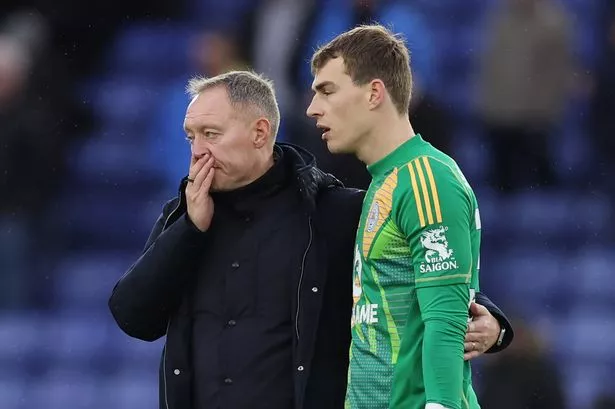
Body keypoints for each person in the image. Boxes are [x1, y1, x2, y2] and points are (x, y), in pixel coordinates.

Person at [109, 70, 513, 409]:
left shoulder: (330, 211)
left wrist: (493, 323)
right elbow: (133, 317)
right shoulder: (184, 216)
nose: (197, 151)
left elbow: (426, 265)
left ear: (259, 132)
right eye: (190, 137)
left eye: (210, 134)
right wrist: (189, 231)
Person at [306, 24, 492, 409]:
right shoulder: (385, 181)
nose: (312, 108)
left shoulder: (427, 179)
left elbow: (444, 318)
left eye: (327, 90)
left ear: (375, 93)